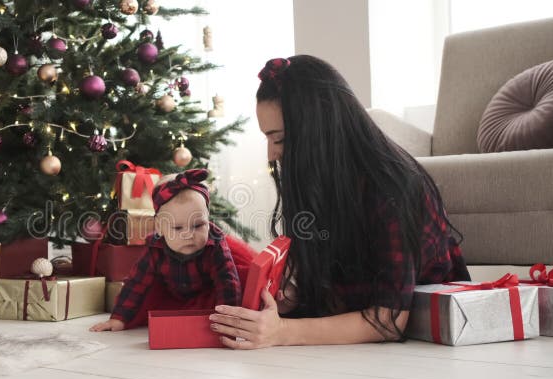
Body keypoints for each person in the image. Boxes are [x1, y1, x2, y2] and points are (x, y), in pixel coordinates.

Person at [208, 55, 471, 349]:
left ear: (317, 130)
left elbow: (389, 321)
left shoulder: (393, 189)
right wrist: (293, 296)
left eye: (279, 139)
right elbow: (334, 289)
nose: (271, 154)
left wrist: (282, 332)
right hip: (357, 332)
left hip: (425, 341)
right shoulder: (316, 181)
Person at [90, 169, 247, 332]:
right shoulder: (155, 249)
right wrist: (119, 318)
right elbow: (136, 284)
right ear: (159, 227)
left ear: (208, 218)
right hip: (172, 293)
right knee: (152, 303)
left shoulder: (215, 245)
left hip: (209, 293)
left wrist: (228, 321)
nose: (188, 234)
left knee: (239, 288)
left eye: (199, 225)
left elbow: (227, 283)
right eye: (178, 228)